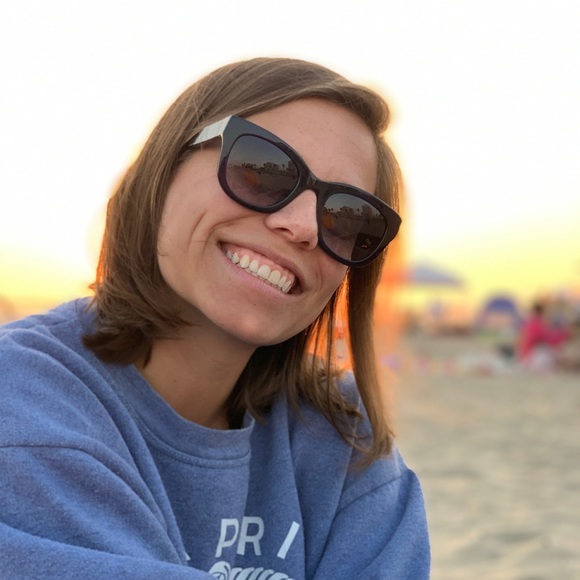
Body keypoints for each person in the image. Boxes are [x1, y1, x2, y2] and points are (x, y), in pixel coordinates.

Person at [0, 58, 430, 579]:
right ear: (165, 167)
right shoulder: (23, 402)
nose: (303, 227)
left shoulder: (342, 440)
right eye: (262, 168)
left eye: (347, 217)